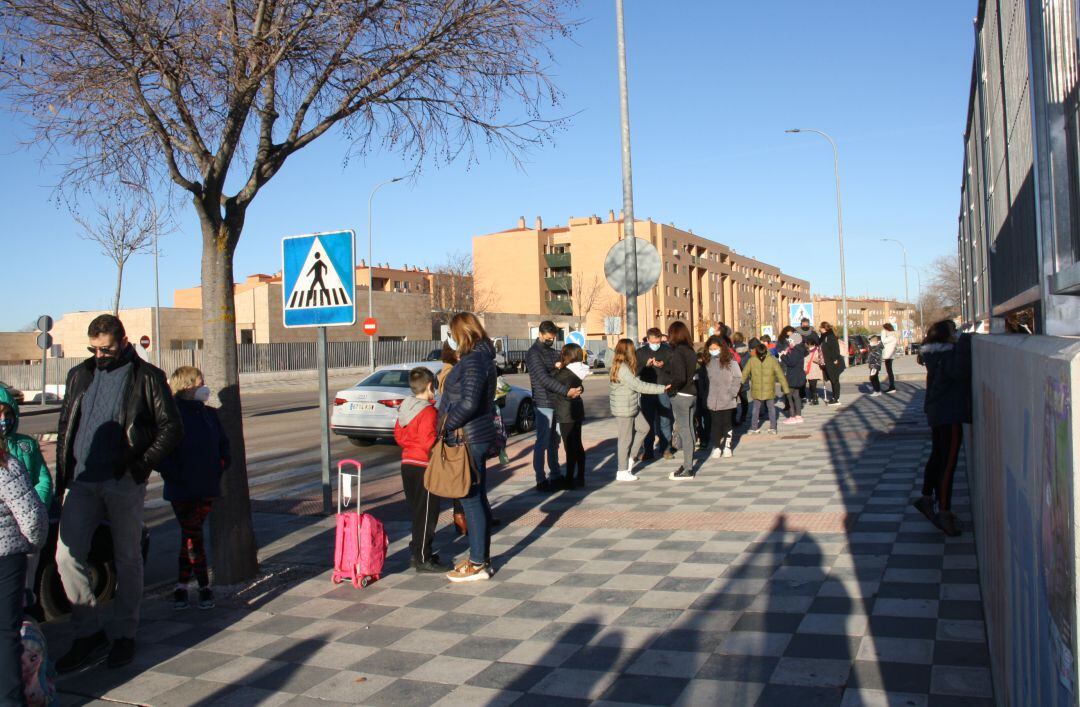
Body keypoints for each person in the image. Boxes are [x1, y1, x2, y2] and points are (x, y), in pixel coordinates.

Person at [55, 314, 182, 672]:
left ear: (123, 342)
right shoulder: (80, 374)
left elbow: (171, 428)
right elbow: (68, 423)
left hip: (122, 481)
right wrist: (63, 475)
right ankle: (88, 631)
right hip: (81, 481)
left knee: (127, 559)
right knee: (66, 557)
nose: (100, 355)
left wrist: (140, 466)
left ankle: (124, 632)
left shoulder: (147, 377)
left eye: (107, 349)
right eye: (94, 349)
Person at [158, 366, 230, 610]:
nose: (204, 388)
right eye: (200, 383)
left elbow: (223, 444)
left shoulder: (209, 414)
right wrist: (176, 475)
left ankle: (181, 586)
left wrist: (220, 464)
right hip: (182, 488)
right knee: (193, 536)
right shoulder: (171, 415)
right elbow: (163, 454)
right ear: (187, 386)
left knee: (190, 536)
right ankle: (203, 586)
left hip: (207, 485)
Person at [440, 313, 498, 583]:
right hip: (474, 435)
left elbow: (470, 402)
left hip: (469, 438)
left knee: (471, 499)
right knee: (476, 498)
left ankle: (477, 564)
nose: (449, 338)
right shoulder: (481, 357)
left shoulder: (474, 360)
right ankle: (480, 558)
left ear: (462, 333)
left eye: (451, 333)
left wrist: (445, 426)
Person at [912, 321, 972, 537]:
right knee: (948, 463)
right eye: (954, 331)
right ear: (946, 336)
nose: (957, 333)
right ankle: (943, 512)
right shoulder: (948, 355)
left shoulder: (934, 355)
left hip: (938, 412)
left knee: (938, 456)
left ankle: (927, 498)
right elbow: (960, 373)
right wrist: (965, 341)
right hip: (949, 413)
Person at [0, 442, 47, 703]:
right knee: (5, 634)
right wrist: (34, 543)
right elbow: (32, 519)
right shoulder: (6, 467)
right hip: (6, 559)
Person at [0, 385, 52, 606]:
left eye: (7, 414)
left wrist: (37, 506)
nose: (3, 420)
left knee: (23, 590)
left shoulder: (26, 445)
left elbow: (43, 479)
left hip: (28, 527)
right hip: (6, 533)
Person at [393, 367, 446, 573]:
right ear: (431, 386)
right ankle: (423, 557)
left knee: (417, 511)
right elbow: (428, 441)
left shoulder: (406, 407)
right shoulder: (427, 411)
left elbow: (398, 435)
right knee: (428, 513)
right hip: (424, 465)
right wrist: (440, 440)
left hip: (407, 463)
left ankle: (417, 550)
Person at [525, 321, 581, 492]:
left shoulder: (553, 352)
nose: (551, 341)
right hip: (543, 403)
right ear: (540, 334)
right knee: (542, 442)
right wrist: (566, 391)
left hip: (557, 401)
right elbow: (544, 379)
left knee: (554, 442)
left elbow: (562, 372)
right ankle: (540, 479)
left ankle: (555, 475)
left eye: (553, 338)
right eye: (548, 338)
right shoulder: (533, 353)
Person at [608, 339, 668, 481]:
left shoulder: (625, 366)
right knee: (625, 439)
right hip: (624, 408)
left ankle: (630, 459)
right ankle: (622, 471)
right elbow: (638, 386)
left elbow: (634, 381)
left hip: (631, 405)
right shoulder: (622, 368)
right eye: (633, 349)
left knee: (644, 427)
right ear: (628, 351)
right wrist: (661, 388)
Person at [552, 344, 589, 489]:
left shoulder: (565, 372)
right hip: (577, 409)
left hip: (566, 411)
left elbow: (551, 381)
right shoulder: (579, 369)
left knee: (569, 447)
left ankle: (569, 479)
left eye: (563, 353)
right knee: (578, 445)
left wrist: (556, 368)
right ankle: (580, 477)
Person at [665, 321, 698, 480]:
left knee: (685, 430)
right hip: (692, 394)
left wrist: (670, 389)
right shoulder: (690, 350)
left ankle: (688, 468)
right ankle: (687, 464)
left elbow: (680, 376)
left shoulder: (678, 352)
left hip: (681, 395)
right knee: (690, 429)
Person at [636, 328, 674, 460]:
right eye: (653, 341)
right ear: (648, 340)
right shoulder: (640, 352)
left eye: (658, 341)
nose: (656, 344)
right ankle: (648, 451)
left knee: (665, 420)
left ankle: (666, 449)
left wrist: (664, 366)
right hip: (647, 390)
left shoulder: (667, 350)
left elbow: (674, 368)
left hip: (663, 389)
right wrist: (645, 366)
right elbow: (635, 372)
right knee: (648, 422)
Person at [702, 336, 742, 459]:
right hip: (712, 399)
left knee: (727, 423)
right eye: (711, 348)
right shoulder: (707, 362)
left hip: (727, 399)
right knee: (715, 424)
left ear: (721, 348)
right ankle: (717, 446)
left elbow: (738, 377)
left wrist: (732, 393)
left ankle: (727, 447)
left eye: (715, 348)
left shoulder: (730, 361)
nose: (713, 350)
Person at [742, 343, 790, 435]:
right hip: (762, 389)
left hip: (764, 389)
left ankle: (758, 427)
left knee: (761, 408)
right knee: (765, 408)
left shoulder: (754, 360)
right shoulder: (769, 360)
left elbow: (744, 374)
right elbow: (744, 374)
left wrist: (786, 389)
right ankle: (768, 427)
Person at [779, 337, 806, 424]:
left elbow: (791, 362)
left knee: (789, 396)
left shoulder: (796, 350)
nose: (789, 343)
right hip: (797, 376)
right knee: (796, 395)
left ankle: (792, 416)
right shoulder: (800, 349)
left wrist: (783, 356)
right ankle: (798, 416)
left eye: (790, 341)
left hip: (793, 376)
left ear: (795, 341)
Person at [818, 321, 845, 407]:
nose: (819, 329)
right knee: (833, 380)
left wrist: (835, 359)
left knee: (835, 380)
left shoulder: (830, 336)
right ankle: (834, 397)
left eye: (820, 327)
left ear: (824, 328)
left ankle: (836, 398)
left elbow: (835, 348)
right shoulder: (823, 337)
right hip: (827, 361)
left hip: (833, 361)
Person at [732, 332, 750, 424]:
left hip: (734, 377)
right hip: (744, 376)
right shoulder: (747, 351)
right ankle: (743, 416)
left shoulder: (732, 350)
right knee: (744, 399)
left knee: (734, 399)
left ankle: (734, 418)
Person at [803, 334, 824, 405]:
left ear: (809, 344)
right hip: (809, 370)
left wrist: (815, 359)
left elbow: (819, 359)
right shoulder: (808, 350)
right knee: (811, 385)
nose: (805, 344)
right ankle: (813, 397)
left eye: (806, 343)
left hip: (814, 369)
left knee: (813, 385)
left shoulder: (817, 350)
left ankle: (815, 399)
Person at [880, 322, 899, 393]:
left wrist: (883, 333)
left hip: (889, 355)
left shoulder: (891, 337)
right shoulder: (892, 336)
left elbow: (883, 341)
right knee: (889, 371)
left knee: (890, 371)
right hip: (889, 355)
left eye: (884, 329)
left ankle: (892, 387)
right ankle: (891, 386)